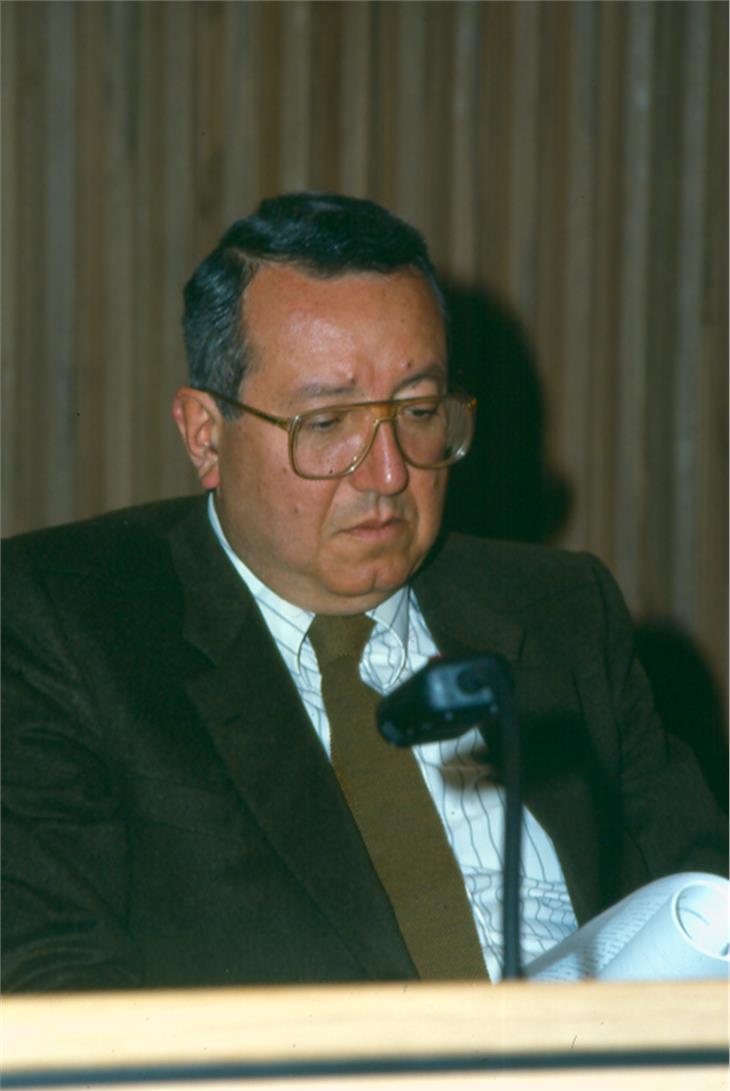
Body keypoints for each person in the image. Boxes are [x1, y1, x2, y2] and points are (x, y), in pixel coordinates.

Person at [2, 192, 726, 992]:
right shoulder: (64, 624)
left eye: (418, 411)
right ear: (205, 435)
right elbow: (52, 984)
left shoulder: (562, 614)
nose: (389, 475)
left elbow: (707, 889)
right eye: (326, 423)